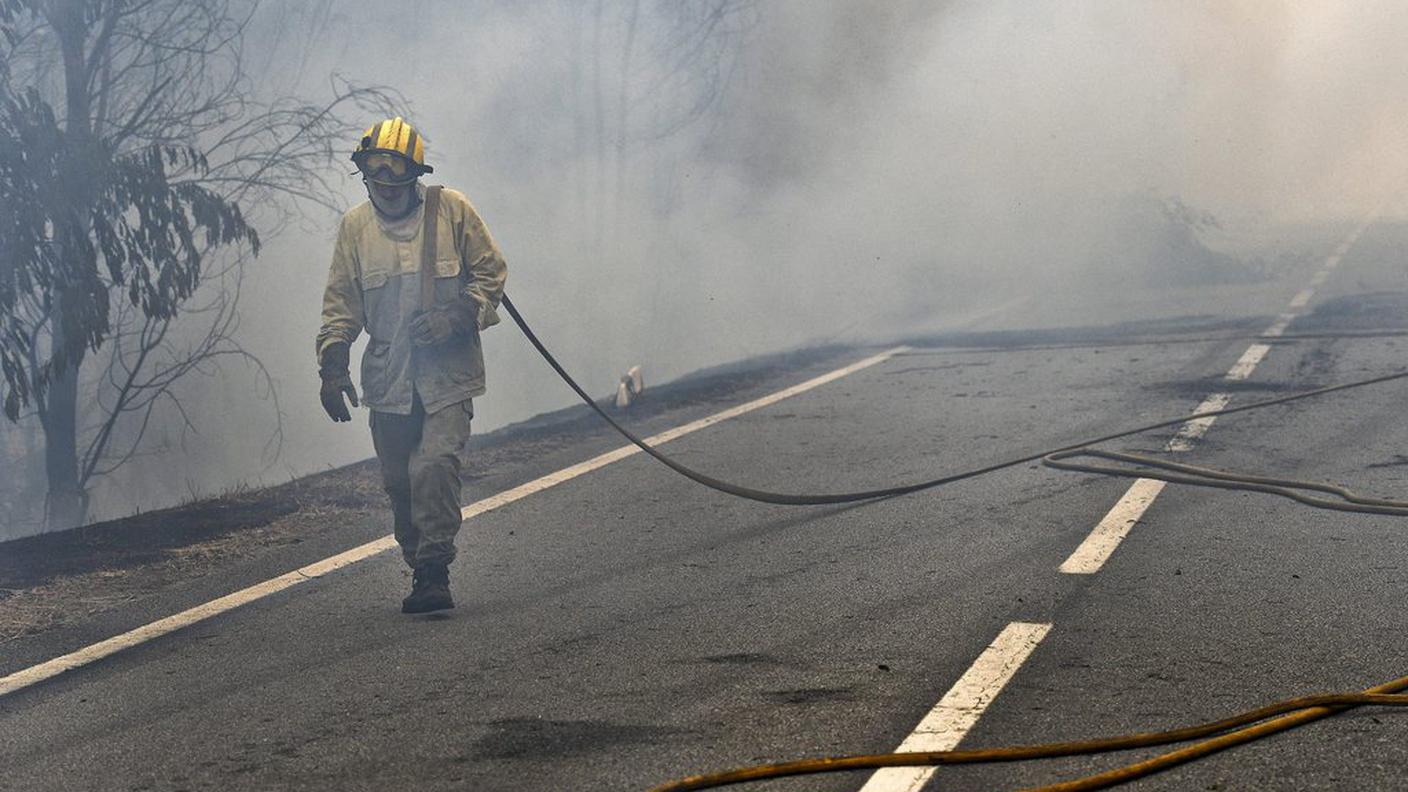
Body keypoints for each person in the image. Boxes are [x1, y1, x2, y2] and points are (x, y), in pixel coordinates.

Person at [316, 117, 507, 613]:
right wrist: (332, 366)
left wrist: (459, 315)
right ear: (365, 175)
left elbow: (491, 274)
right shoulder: (355, 228)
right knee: (400, 483)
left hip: (448, 376)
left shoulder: (452, 211)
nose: (384, 182)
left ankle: (433, 571)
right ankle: (418, 558)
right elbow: (342, 304)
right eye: (375, 173)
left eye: (393, 172)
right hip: (389, 381)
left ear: (412, 174)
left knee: (434, 466)